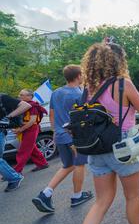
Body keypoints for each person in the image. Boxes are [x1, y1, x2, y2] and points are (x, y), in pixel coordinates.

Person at [57, 41, 139, 224]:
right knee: (132, 197)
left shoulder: (87, 90)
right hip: (124, 147)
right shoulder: (123, 85)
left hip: (96, 150)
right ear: (118, 61)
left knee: (100, 203)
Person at [32, 65, 94, 213]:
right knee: (79, 164)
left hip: (59, 135)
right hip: (74, 136)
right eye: (82, 74)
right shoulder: (78, 95)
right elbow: (85, 116)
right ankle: (77, 196)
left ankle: (45, 194)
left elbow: (51, 113)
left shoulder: (56, 92)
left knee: (68, 166)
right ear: (78, 76)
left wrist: (55, 130)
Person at [0, 94, 31, 192]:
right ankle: (10, 175)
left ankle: (14, 177)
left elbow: (26, 106)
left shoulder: (2, 97)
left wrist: (8, 117)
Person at [13, 89, 49, 174]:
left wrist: (20, 129)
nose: (19, 96)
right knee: (32, 148)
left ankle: (16, 171)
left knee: (23, 151)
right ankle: (42, 163)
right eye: (20, 94)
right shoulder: (24, 105)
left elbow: (32, 121)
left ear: (29, 96)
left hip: (31, 129)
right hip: (26, 128)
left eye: (22, 95)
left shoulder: (32, 106)